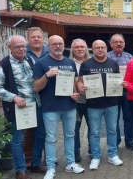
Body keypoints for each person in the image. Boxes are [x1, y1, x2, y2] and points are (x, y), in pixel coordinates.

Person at [33, 35, 84, 179]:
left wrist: (75, 93)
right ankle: (50, 167)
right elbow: (36, 87)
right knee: (51, 138)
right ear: (48, 46)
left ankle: (71, 163)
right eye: (54, 44)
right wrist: (47, 76)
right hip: (50, 107)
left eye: (60, 44)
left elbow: (74, 82)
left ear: (63, 45)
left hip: (69, 106)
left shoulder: (70, 62)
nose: (58, 46)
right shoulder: (41, 63)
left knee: (70, 135)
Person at [0, 35, 45, 179]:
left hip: (36, 104)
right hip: (20, 108)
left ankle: (35, 163)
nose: (22, 49)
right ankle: (20, 170)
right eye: (18, 46)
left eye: (23, 46)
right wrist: (14, 97)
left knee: (40, 135)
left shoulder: (30, 60)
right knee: (19, 139)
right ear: (9, 48)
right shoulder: (4, 64)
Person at [76, 40, 123, 170]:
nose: (100, 50)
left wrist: (121, 84)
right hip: (93, 104)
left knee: (112, 130)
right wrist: (81, 87)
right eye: (97, 48)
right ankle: (96, 156)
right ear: (93, 49)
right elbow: (79, 82)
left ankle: (112, 155)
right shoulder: (86, 64)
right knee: (95, 132)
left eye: (102, 47)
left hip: (111, 103)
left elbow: (118, 81)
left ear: (106, 48)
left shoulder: (113, 64)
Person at [106, 34, 133, 150]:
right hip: (112, 92)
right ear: (111, 44)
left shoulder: (130, 57)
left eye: (121, 42)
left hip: (127, 92)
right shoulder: (106, 57)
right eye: (115, 42)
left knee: (129, 118)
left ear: (124, 44)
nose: (118, 44)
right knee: (114, 119)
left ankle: (129, 140)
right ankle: (116, 142)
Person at [25, 27, 49, 169]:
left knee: (46, 130)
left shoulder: (49, 51)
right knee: (29, 131)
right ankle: (29, 158)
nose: (36, 39)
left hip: (47, 97)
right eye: (33, 37)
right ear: (28, 39)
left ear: (43, 39)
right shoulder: (23, 52)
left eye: (38, 37)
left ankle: (46, 157)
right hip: (28, 98)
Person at [69, 39, 91, 163]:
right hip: (75, 102)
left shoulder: (92, 62)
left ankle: (93, 150)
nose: (79, 49)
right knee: (75, 128)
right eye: (76, 47)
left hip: (91, 101)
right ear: (72, 49)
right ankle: (76, 152)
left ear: (86, 48)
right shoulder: (69, 63)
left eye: (82, 46)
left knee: (93, 127)